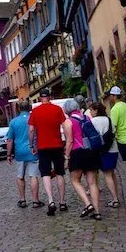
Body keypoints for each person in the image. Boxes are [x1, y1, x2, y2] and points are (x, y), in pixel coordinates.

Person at [29, 88, 71, 216]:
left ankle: (51, 201)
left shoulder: (35, 111)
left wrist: (31, 145)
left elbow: (31, 130)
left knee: (45, 173)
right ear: (50, 97)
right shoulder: (57, 109)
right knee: (59, 173)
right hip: (57, 145)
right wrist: (68, 140)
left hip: (43, 147)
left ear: (40, 98)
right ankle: (62, 202)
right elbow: (65, 126)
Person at [64, 98, 101, 220]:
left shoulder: (68, 122)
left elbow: (69, 141)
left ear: (67, 110)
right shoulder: (86, 118)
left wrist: (66, 157)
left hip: (77, 152)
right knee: (92, 183)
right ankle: (97, 212)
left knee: (75, 180)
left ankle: (88, 204)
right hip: (90, 151)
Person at [6, 99, 42, 208]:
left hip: (20, 152)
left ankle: (22, 200)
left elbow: (10, 140)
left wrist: (9, 154)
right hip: (33, 151)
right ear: (30, 108)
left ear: (19, 109)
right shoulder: (34, 119)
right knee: (33, 176)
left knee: (20, 176)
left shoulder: (13, 122)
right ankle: (35, 201)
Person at [88, 101, 120, 208]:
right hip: (113, 149)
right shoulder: (108, 119)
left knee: (107, 175)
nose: (90, 112)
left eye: (91, 110)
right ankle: (116, 196)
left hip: (103, 151)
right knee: (112, 173)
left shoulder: (93, 121)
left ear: (96, 110)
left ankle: (115, 199)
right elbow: (114, 131)